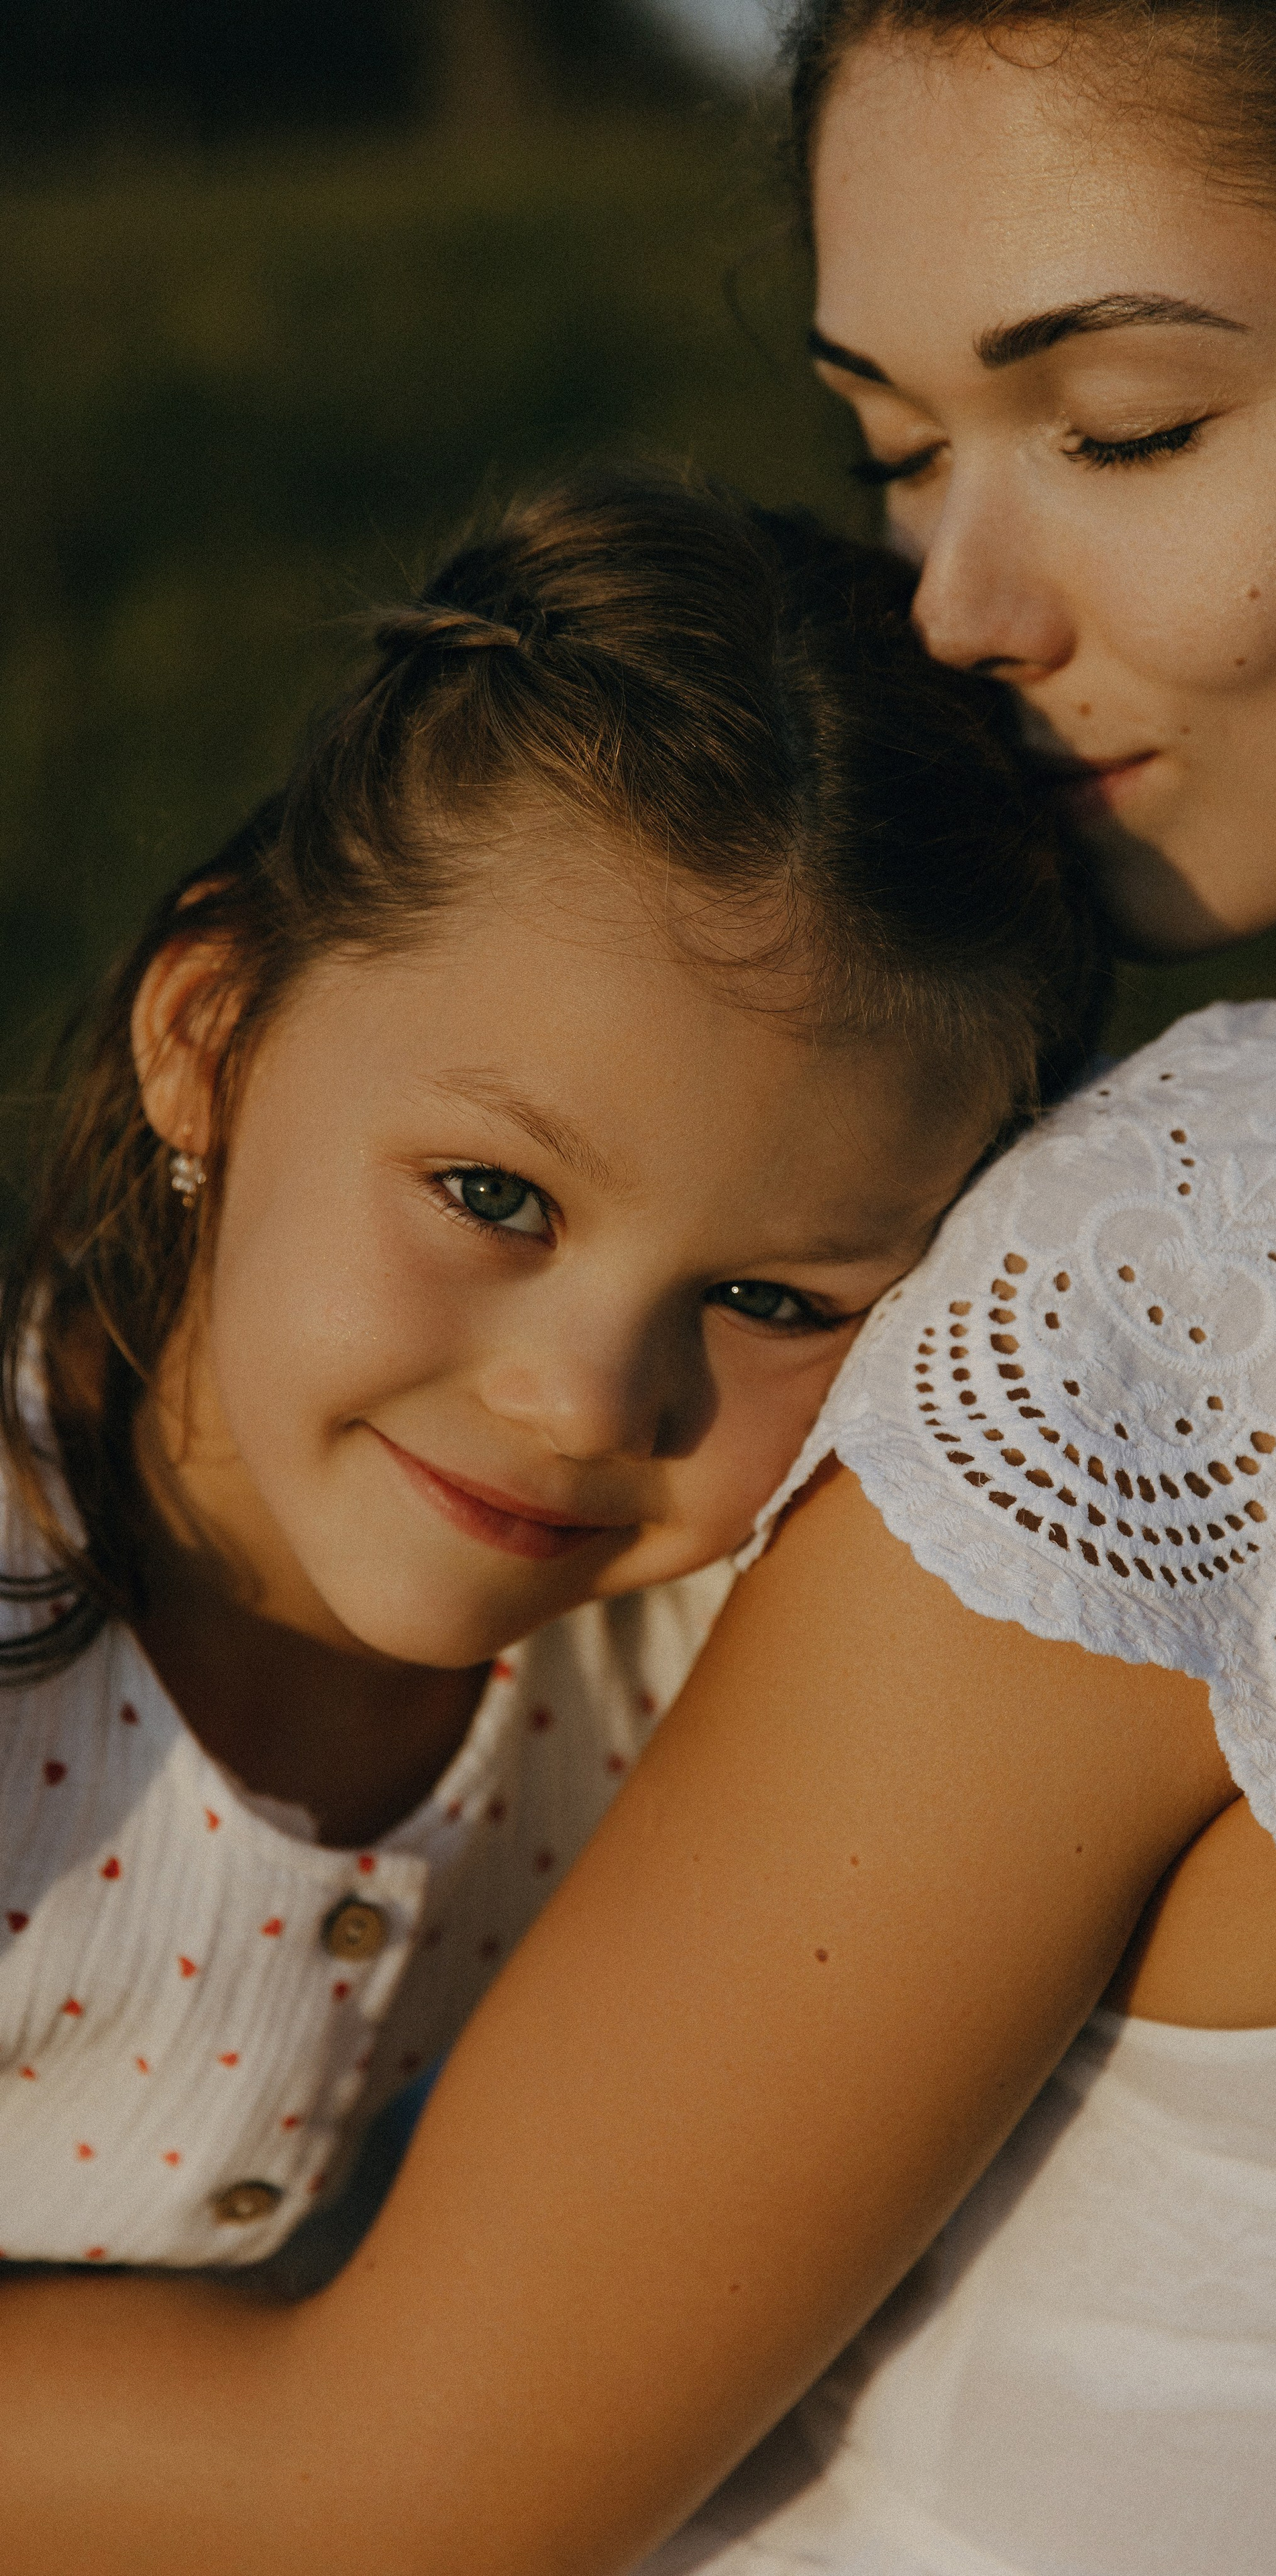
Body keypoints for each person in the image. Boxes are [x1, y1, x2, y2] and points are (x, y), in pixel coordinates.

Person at [3, 2, 1276, 2571]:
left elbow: (389, 2484)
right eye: (893, 456)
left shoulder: (1226, 1279)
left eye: (1123, 428)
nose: (959, 606)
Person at [0, 466, 1097, 2275]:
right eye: (492, 1195)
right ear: (209, 1035)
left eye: (772, 1298)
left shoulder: (730, 1662)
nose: (591, 1403)